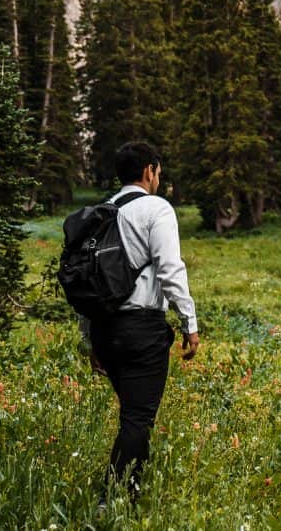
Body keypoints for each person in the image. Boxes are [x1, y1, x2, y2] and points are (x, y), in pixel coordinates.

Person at [79, 141, 200, 502]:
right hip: (141, 328)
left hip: (103, 329)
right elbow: (170, 268)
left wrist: (89, 339)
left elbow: (88, 280)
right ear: (149, 171)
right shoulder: (156, 209)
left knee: (134, 416)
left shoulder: (101, 212)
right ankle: (112, 501)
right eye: (158, 173)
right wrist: (189, 322)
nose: (158, 179)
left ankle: (129, 493)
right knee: (138, 418)